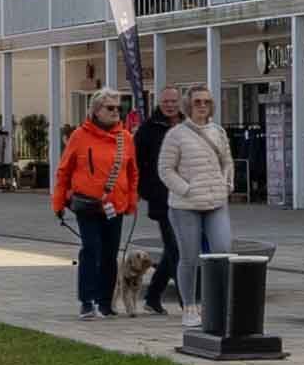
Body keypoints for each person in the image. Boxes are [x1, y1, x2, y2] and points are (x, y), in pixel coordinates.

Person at [148, 92, 238, 321]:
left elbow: (227, 161)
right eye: (197, 102)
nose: (202, 105)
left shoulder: (218, 132)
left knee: (222, 251)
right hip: (185, 205)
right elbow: (165, 169)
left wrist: (227, 183)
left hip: (216, 201)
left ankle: (217, 304)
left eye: (207, 102)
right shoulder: (175, 134)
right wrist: (186, 189)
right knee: (189, 256)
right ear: (188, 105)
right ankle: (189, 306)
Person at [58, 95, 140, 315]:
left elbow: (132, 172)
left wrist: (131, 200)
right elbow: (64, 170)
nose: (116, 112)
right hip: (88, 204)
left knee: (110, 253)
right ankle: (87, 300)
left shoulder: (125, 138)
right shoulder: (79, 136)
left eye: (118, 108)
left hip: (116, 205)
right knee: (91, 249)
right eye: (110, 108)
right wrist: (59, 202)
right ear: (96, 111)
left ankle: (105, 302)